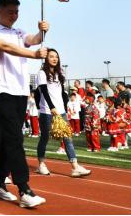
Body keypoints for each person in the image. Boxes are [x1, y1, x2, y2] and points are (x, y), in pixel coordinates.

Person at [0, 0, 47, 207]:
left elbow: (34, 40)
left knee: (10, 137)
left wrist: (42, 30)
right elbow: (7, 48)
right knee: (15, 137)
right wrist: (34, 54)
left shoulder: (19, 32)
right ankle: (24, 189)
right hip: (1, 89)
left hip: (20, 90)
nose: (14, 15)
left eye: (17, 12)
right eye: (10, 11)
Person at [35, 48, 91, 178]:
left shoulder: (60, 73)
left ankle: (75, 167)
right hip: (47, 111)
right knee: (45, 138)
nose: (54, 59)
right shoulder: (42, 73)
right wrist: (52, 107)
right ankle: (41, 164)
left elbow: (61, 93)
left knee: (68, 138)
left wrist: (63, 108)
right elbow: (43, 91)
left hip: (61, 112)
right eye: (51, 56)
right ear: (46, 59)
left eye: (56, 56)